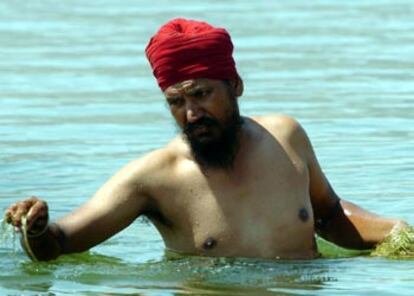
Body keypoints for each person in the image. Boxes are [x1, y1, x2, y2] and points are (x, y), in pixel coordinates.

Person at [4, 18, 407, 261]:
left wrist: (403, 234)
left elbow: (330, 217)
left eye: (201, 94)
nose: (191, 114)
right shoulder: (154, 177)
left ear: (235, 85)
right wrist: (36, 230)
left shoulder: (286, 137)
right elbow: (61, 242)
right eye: (176, 101)